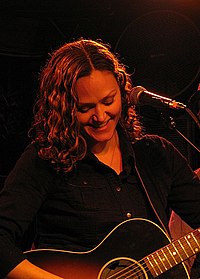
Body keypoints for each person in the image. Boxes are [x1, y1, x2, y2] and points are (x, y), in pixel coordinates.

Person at [0, 38, 199, 279]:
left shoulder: (156, 155)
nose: (100, 116)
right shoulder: (45, 159)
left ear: (122, 92)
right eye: (85, 108)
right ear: (63, 107)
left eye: (108, 101)